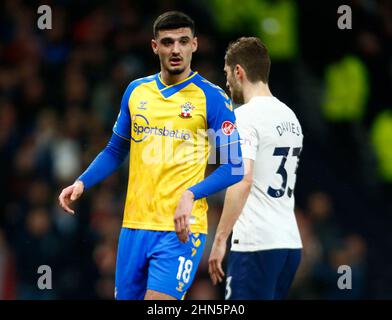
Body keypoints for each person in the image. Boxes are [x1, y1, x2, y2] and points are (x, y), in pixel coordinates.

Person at [58, 11, 243, 300]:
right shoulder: (136, 92)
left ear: (194, 44)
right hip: (134, 228)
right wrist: (82, 182)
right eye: (167, 42)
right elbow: (116, 149)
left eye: (183, 41)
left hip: (181, 231)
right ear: (155, 46)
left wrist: (191, 194)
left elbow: (234, 167)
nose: (176, 49)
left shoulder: (212, 99)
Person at [208, 37, 303, 300]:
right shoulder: (290, 117)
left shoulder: (243, 117)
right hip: (289, 244)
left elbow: (242, 178)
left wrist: (219, 240)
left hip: (255, 244)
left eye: (227, 74)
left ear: (239, 71)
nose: (226, 83)